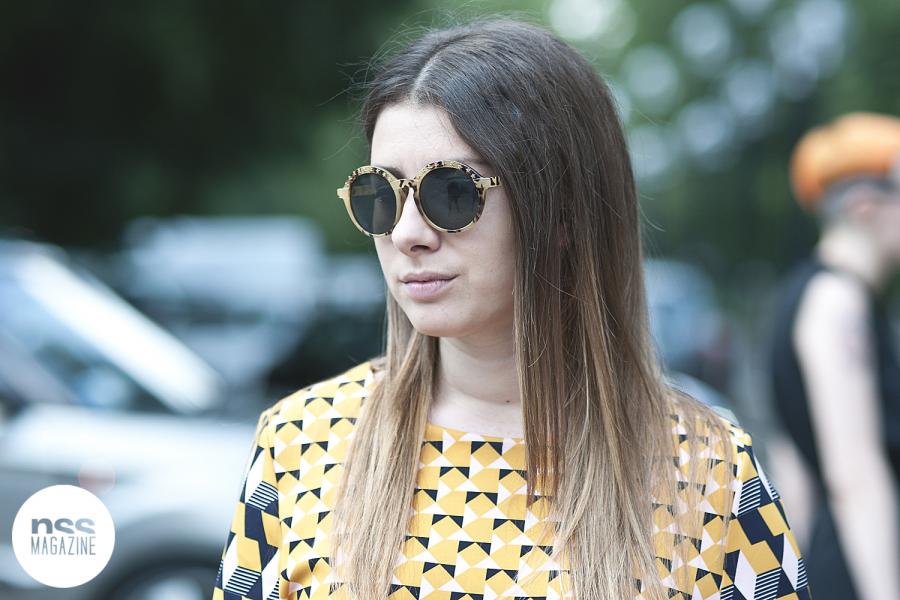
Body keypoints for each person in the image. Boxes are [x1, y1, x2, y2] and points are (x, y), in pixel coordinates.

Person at [213, 17, 811, 599]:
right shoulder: (300, 443)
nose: (407, 233)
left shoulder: (707, 467)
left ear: (563, 214)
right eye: (381, 194)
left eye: (451, 191)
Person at [768, 112, 900, 600]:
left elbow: (791, 464)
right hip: (863, 575)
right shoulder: (837, 303)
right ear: (866, 205)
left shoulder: (806, 296)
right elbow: (855, 476)